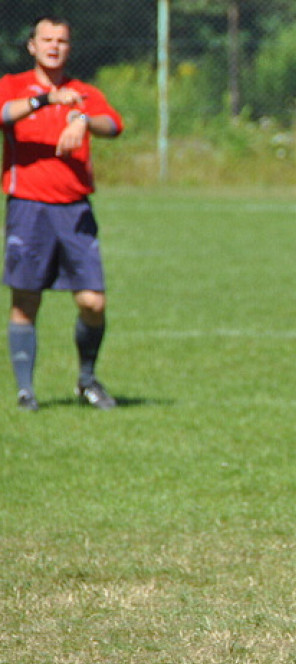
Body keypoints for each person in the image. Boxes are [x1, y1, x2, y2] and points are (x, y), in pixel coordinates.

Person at [1, 15, 124, 411]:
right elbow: (2, 114)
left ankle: (87, 380)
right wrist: (45, 100)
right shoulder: (13, 86)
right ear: (32, 46)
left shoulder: (83, 92)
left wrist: (83, 120)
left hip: (74, 209)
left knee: (93, 302)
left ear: (69, 48)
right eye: (47, 39)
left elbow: (114, 126)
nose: (54, 46)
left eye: (62, 41)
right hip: (28, 207)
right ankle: (26, 391)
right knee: (26, 300)